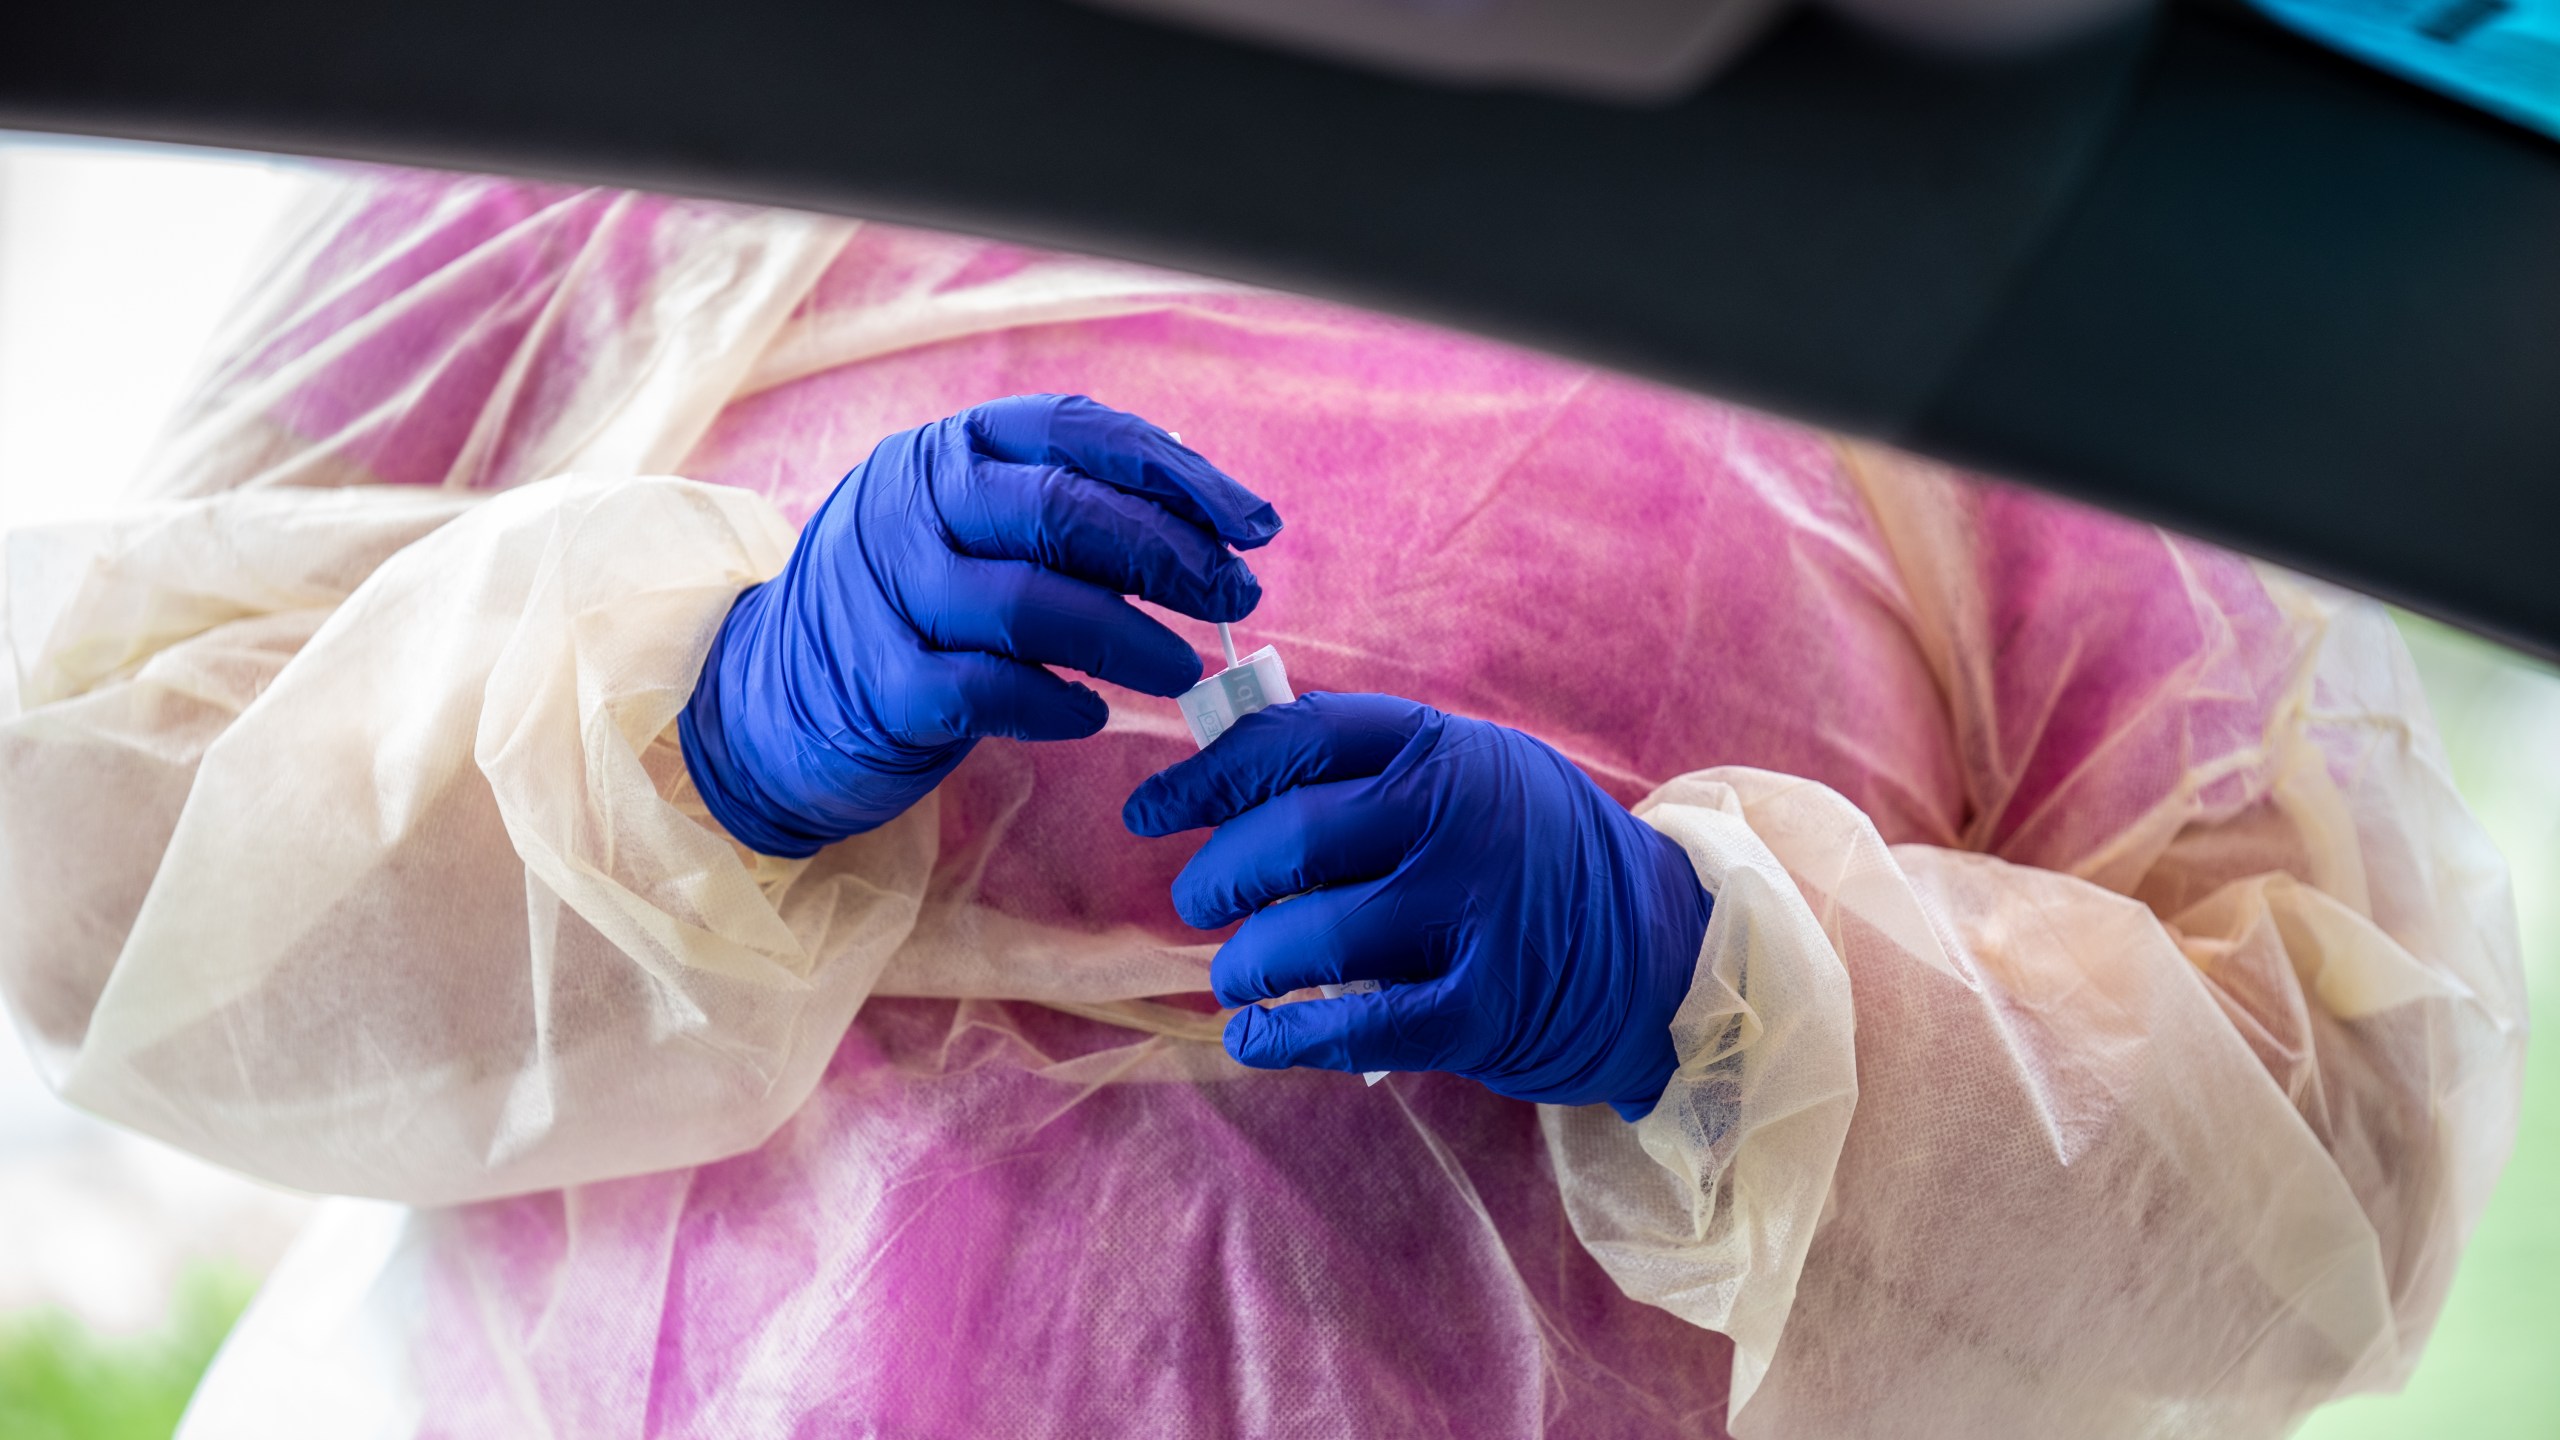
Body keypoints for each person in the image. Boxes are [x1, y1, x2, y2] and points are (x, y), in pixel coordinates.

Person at [0, 167, 2523, 1439]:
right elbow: (89, 840)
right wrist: (703, 724)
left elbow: (2329, 1163)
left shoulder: (1962, 243)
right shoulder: (688, 95)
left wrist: (1702, 989)